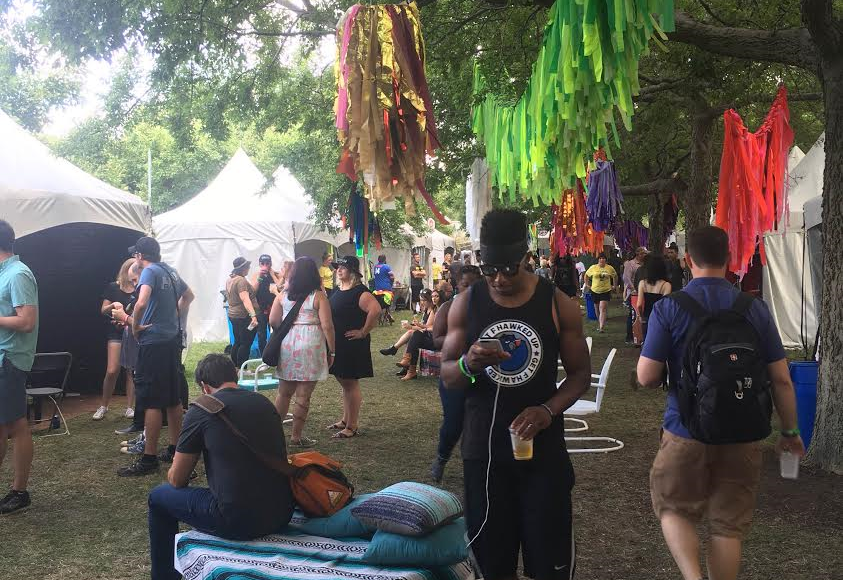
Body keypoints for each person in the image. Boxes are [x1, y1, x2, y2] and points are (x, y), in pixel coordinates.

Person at [637, 226, 805, 580]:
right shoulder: (754, 308)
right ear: (729, 259)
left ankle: (693, 577)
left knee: (673, 508)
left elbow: (647, 376)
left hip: (684, 429)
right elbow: (781, 379)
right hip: (743, 432)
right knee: (728, 525)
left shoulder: (670, 308)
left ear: (687, 260)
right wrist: (789, 432)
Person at [440, 209, 591, 580]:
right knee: (492, 565)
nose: (499, 278)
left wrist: (547, 410)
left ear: (526, 256)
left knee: (550, 565)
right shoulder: (466, 303)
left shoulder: (557, 304)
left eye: (509, 268)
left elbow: (579, 376)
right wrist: (468, 364)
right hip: (485, 453)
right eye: (489, 269)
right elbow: (448, 375)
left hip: (544, 455)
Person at [148, 353, 294, 580]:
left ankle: (164, 576)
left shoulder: (201, 410)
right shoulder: (264, 403)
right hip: (281, 512)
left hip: (238, 520)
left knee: (158, 497)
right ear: (235, 376)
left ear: (204, 386)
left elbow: (177, 479)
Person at [118, 236, 194, 477]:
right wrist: (172, 316)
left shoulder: (149, 272)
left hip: (153, 343)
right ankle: (174, 449)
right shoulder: (171, 271)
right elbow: (189, 296)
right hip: (171, 341)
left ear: (140, 256)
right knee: (172, 398)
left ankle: (149, 458)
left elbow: (141, 303)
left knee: (151, 400)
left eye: (136, 255)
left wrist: (135, 326)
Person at [269, 257, 335, 448]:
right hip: (311, 343)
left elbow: (273, 320)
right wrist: (332, 351)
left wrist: (289, 328)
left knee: (283, 393)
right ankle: (296, 437)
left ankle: (274, 435)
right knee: (303, 395)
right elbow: (327, 326)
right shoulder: (318, 296)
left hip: (288, 343)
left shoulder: (283, 295)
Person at [429, 262, 481, 482]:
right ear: (458, 285)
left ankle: (478, 465)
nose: (470, 290)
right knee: (453, 420)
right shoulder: (448, 308)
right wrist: (463, 340)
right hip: (455, 370)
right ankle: (441, 458)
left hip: (482, 372)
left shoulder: (487, 307)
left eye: (475, 285)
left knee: (481, 420)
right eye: (466, 285)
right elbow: (436, 339)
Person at [0, 220, 39, 515]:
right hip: (3, 358)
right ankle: (18, 490)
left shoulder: (18, 274)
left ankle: (20, 491)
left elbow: (27, 321)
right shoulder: (6, 274)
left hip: (10, 359)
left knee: (16, 424)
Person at [326, 256, 381, 439]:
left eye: (343, 267)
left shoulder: (360, 292)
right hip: (339, 343)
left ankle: (352, 426)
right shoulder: (338, 290)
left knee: (350, 383)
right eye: (337, 267)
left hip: (352, 344)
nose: (339, 270)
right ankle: (345, 420)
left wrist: (363, 332)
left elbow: (375, 310)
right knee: (344, 382)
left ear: (353, 271)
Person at [93, 258, 138, 420]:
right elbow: (103, 310)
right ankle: (103, 405)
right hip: (116, 332)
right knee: (112, 370)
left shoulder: (139, 289)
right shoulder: (113, 287)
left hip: (132, 332)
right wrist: (113, 306)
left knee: (131, 370)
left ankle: (130, 407)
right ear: (126, 271)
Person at [379, 287, 437, 369]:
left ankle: (395, 351)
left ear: (430, 300)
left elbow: (426, 329)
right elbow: (423, 326)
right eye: (421, 300)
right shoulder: (426, 310)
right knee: (411, 336)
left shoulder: (432, 311)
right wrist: (416, 324)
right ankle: (406, 366)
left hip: (430, 337)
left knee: (411, 333)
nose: (422, 302)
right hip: (423, 334)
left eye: (424, 300)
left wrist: (411, 327)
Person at [398, 289, 441, 381]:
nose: (434, 298)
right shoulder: (429, 309)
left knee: (414, 335)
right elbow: (427, 327)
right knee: (414, 337)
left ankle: (407, 363)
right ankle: (409, 368)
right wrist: (419, 325)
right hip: (430, 337)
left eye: (436, 296)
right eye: (433, 296)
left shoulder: (437, 310)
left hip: (438, 340)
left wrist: (417, 327)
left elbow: (433, 328)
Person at [226, 257, 260, 368]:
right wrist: (253, 315)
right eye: (247, 267)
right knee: (245, 343)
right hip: (243, 316)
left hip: (233, 314)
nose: (249, 269)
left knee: (238, 341)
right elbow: (245, 299)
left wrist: (259, 279)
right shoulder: (241, 281)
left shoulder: (230, 279)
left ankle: (234, 366)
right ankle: (242, 368)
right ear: (242, 268)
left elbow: (251, 291)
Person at [250, 254, 283, 354]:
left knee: (278, 330)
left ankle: (276, 352)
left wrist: (272, 274)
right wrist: (260, 277)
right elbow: (253, 292)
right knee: (262, 333)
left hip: (275, 307)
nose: (265, 265)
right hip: (261, 307)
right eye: (263, 263)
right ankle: (263, 355)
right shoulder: (256, 275)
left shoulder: (276, 274)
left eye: (267, 263)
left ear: (271, 264)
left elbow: (281, 287)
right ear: (259, 264)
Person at [635, 254, 672, 341]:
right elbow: (665, 306)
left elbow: (639, 304)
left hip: (647, 317)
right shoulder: (666, 285)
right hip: (660, 319)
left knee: (646, 342)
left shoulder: (642, 283)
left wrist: (641, 317)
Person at [585, 253, 618, 332]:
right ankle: (599, 322)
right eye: (600, 258)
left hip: (605, 290)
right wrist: (587, 284)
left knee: (602, 308)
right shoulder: (593, 267)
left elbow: (615, 276)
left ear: (606, 260)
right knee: (597, 308)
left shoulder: (610, 268)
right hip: (595, 290)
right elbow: (586, 275)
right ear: (598, 260)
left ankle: (601, 327)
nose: (602, 260)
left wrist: (614, 285)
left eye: (603, 258)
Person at [622, 247, 647, 345]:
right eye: (643, 253)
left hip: (644, 292)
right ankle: (629, 336)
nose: (644, 255)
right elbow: (626, 278)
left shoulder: (645, 264)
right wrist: (634, 288)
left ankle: (640, 335)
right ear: (638, 254)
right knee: (632, 314)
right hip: (633, 294)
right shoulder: (630, 264)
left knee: (641, 314)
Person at [372, 254, 395, 324]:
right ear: (385, 260)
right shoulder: (386, 267)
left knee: (379, 302)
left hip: (377, 290)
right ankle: (389, 314)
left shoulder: (375, 267)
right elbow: (392, 277)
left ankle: (382, 316)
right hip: (386, 288)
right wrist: (391, 283)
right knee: (389, 301)